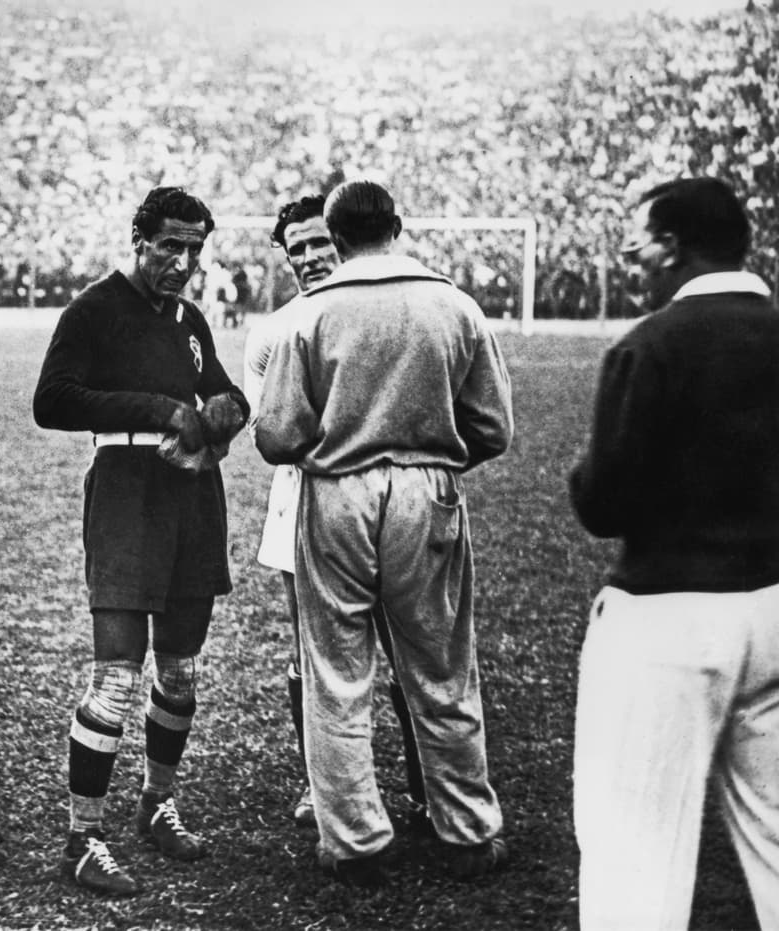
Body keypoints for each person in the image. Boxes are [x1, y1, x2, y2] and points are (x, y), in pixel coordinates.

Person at [255, 180, 513, 888]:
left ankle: (356, 838)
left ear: (333, 238)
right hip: (427, 490)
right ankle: (468, 828)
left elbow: (276, 434)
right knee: (441, 664)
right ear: (397, 225)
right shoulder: (454, 304)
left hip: (336, 490)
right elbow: (494, 426)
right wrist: (431, 455)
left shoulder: (312, 312)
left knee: (337, 670)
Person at [570, 177, 779, 930]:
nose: (632, 261)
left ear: (672, 246)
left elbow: (606, 503)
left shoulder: (650, 345)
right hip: (775, 605)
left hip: (670, 618)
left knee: (635, 855)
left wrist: (580, 474)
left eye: (638, 245)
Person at [33, 186, 249, 897]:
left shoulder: (190, 318)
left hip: (192, 496)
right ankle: (82, 837)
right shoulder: (93, 310)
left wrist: (221, 415)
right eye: (170, 247)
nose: (183, 262)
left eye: (194, 249)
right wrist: (157, 407)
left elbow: (227, 394)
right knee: (117, 676)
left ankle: (157, 800)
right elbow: (52, 400)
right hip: (125, 490)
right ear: (138, 239)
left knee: (180, 668)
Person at [243, 195, 427, 832]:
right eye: (296, 250)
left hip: (389, 502)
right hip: (302, 507)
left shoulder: (390, 310)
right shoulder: (274, 331)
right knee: (312, 655)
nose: (310, 258)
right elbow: (271, 432)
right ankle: (320, 782)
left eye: (320, 243)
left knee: (407, 647)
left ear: (345, 238)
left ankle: (425, 784)